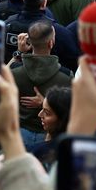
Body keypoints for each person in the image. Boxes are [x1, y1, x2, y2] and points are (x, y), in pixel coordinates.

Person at [11, 20, 73, 150]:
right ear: (51, 43)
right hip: (49, 136)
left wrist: (19, 54)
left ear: (30, 43)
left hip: (19, 134)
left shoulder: (15, 71)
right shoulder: (66, 76)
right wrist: (46, 102)